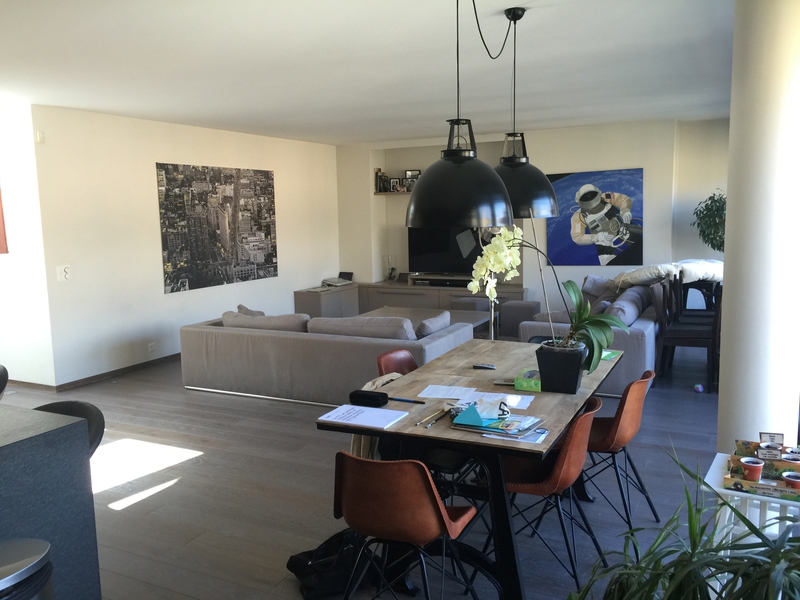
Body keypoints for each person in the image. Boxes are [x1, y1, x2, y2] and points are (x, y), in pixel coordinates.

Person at [570, 183, 642, 265]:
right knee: (610, 265)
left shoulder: (606, 197)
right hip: (603, 239)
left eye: (593, 197)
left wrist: (625, 210)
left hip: (620, 228)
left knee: (642, 247)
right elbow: (577, 237)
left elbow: (623, 199)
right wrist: (597, 237)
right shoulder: (578, 217)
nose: (591, 202)